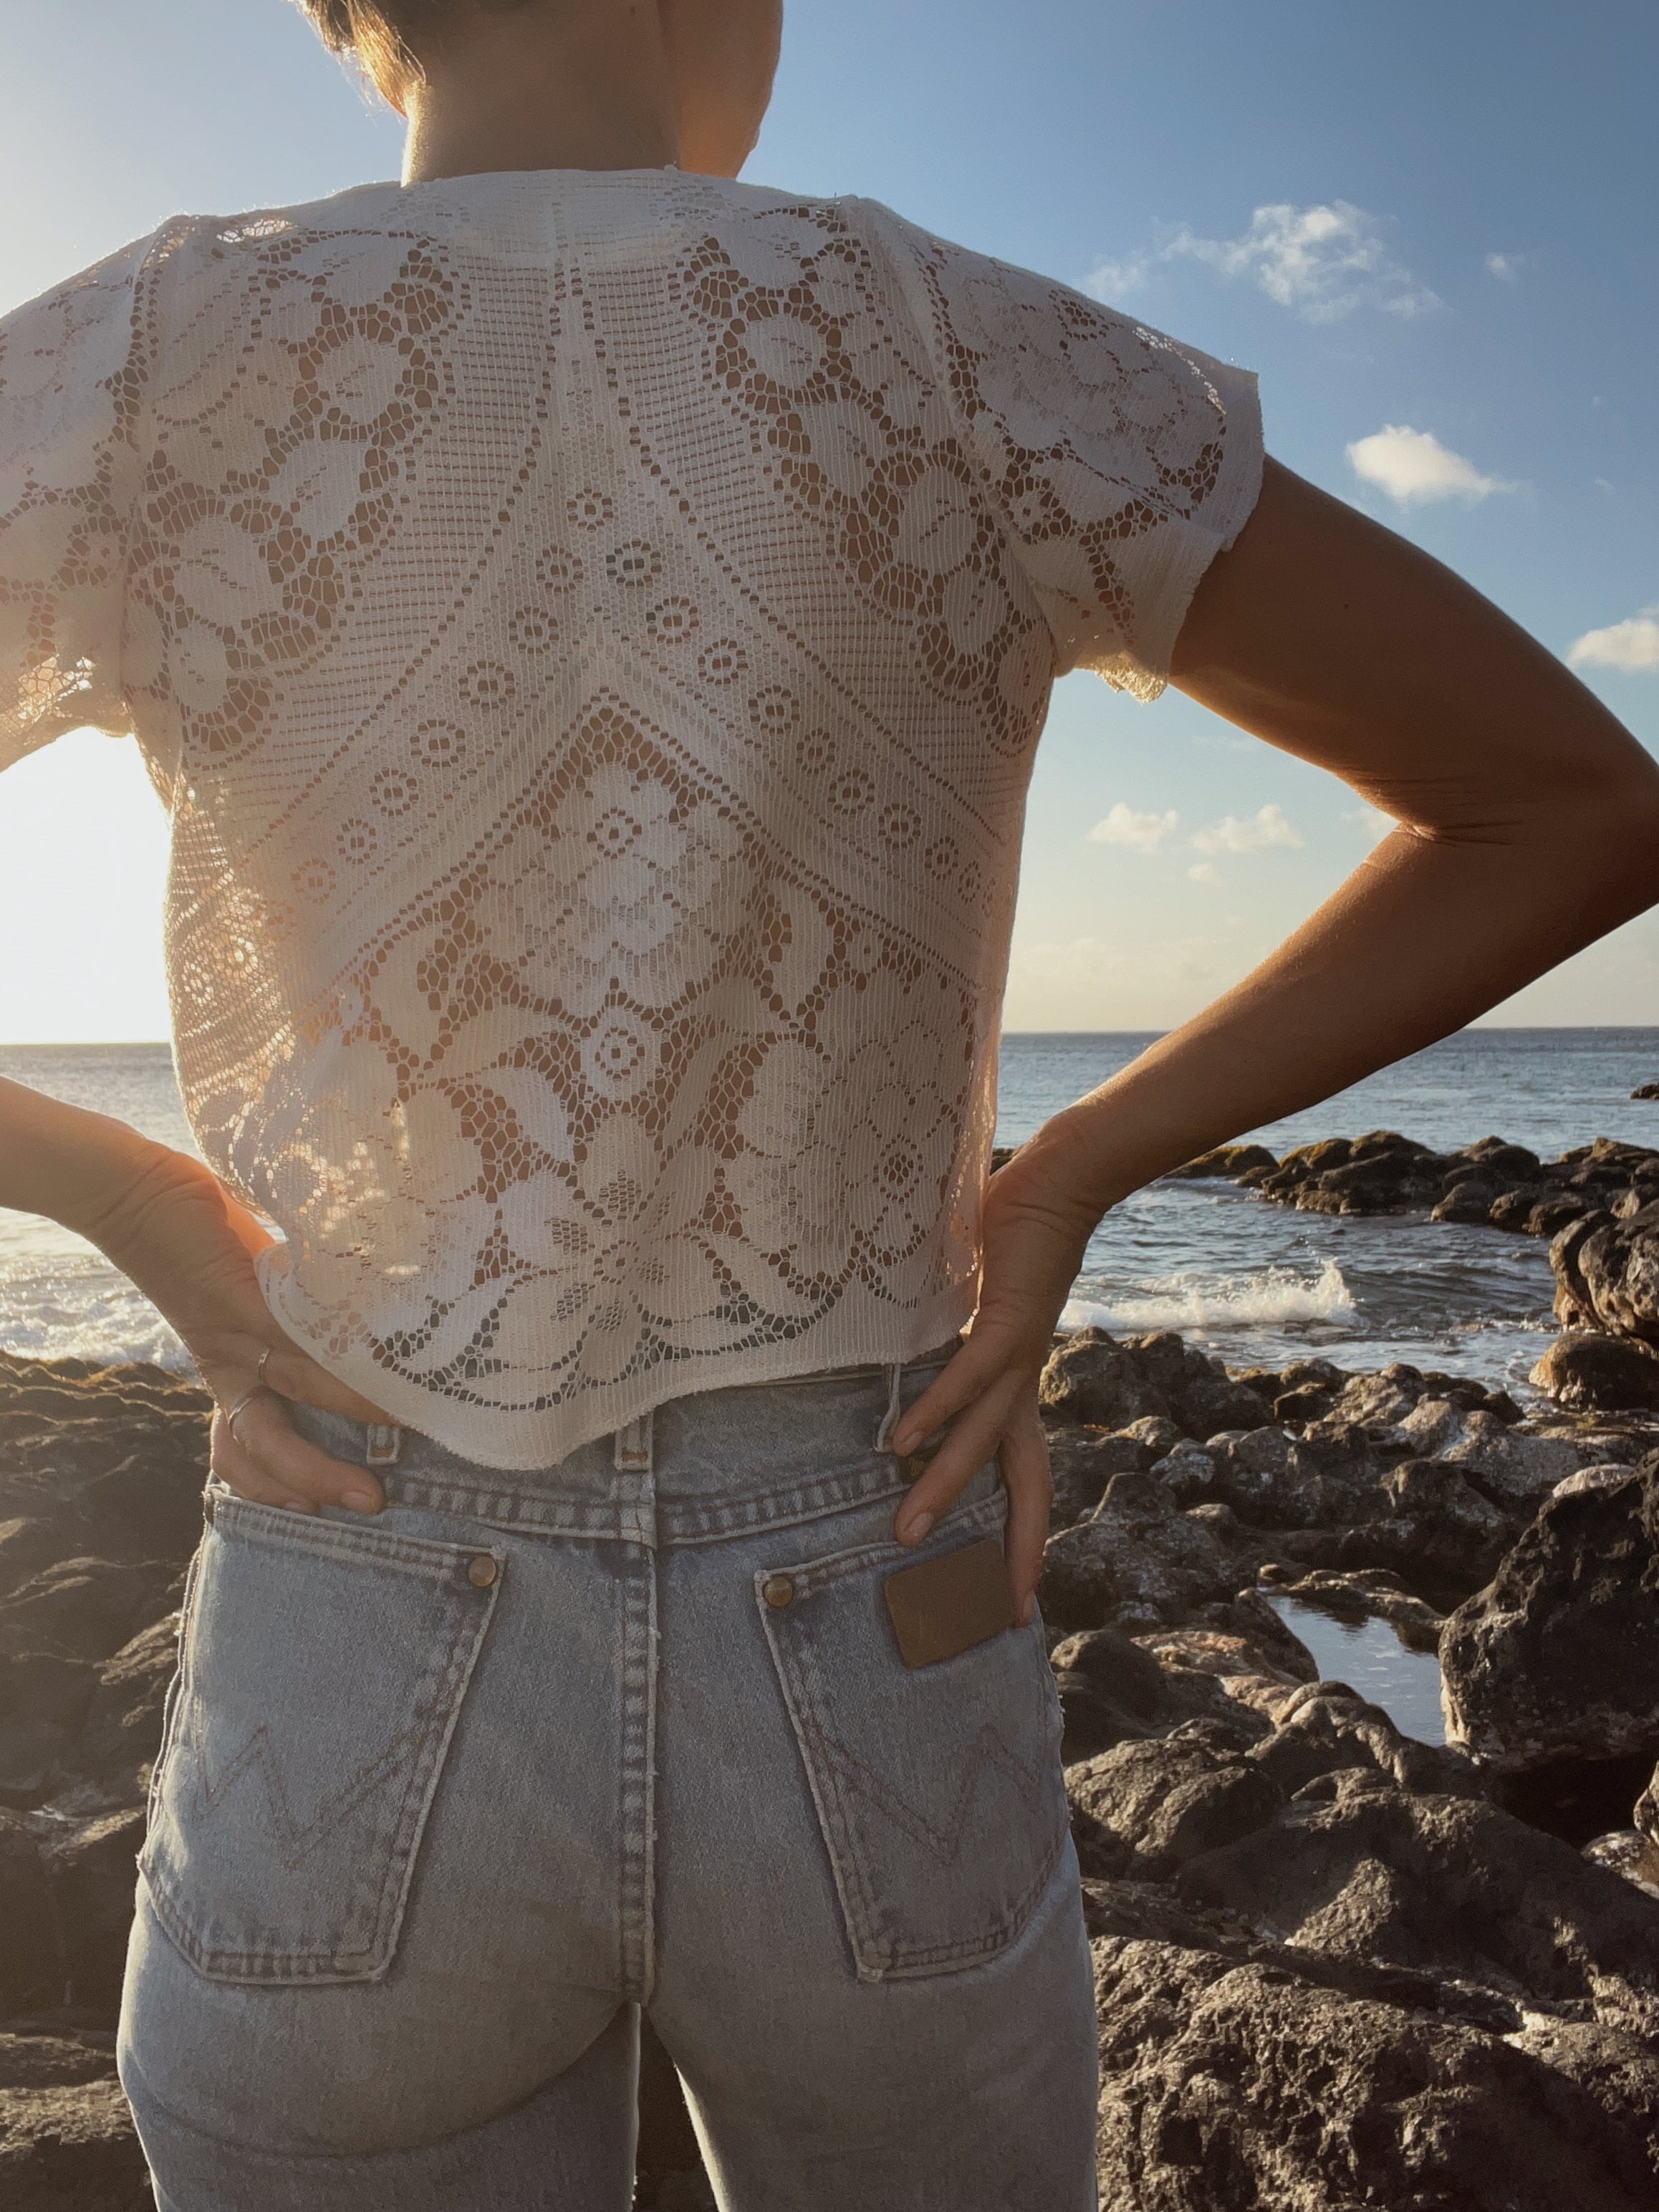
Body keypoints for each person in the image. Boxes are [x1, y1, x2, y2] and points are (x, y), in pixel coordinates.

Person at [0, 2, 1654, 2206]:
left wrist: (118, 1193)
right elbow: (1558, 801)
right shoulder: (950, 340)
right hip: (871, 1568)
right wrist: (1070, 1169)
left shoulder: (131, 360)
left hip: (355, 1567)